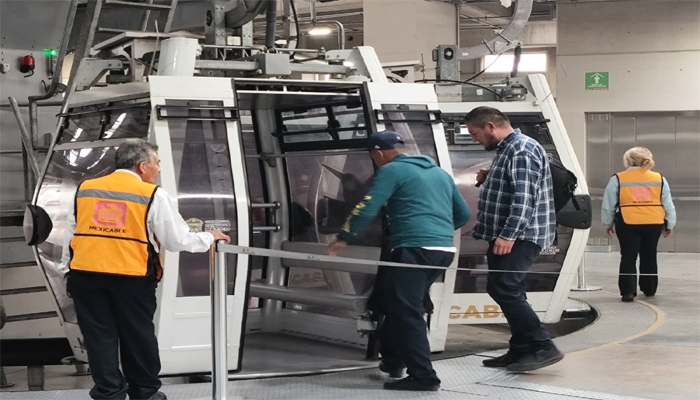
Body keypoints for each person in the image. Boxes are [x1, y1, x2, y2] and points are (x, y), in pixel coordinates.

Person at [61, 139, 230, 400]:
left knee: (98, 337)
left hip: (85, 275)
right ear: (142, 166)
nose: (158, 169)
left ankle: (109, 394)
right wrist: (209, 237)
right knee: (137, 335)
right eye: (157, 163)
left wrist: (67, 270)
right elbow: (176, 239)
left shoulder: (86, 189)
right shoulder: (152, 194)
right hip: (131, 277)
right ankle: (145, 393)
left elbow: (71, 234)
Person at [326, 131, 470, 391]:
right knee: (397, 303)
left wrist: (343, 237)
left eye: (373, 156)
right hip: (442, 250)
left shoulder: (391, 171)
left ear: (379, 153)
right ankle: (393, 360)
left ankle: (424, 377)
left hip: (413, 250)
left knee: (407, 311)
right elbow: (463, 213)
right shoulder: (439, 173)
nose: (375, 161)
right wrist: (437, 231)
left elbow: (366, 207)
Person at [466, 106, 563, 373]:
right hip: (508, 233)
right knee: (508, 289)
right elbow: (515, 186)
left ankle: (543, 346)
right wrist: (490, 178)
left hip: (519, 235)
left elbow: (524, 197)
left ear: (490, 126)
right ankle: (520, 349)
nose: (474, 139)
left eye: (474, 133)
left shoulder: (521, 149)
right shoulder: (508, 149)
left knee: (505, 289)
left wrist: (509, 234)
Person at [601, 146, 676, 302]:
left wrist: (607, 224)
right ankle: (649, 288)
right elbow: (668, 204)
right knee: (650, 255)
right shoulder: (659, 178)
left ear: (628, 161)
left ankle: (628, 292)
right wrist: (669, 224)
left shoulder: (618, 179)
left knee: (628, 257)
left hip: (627, 222)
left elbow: (608, 205)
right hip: (654, 222)